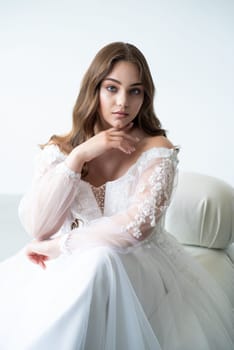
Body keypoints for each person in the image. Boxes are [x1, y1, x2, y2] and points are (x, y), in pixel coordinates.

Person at [0, 42, 233, 350]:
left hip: (140, 267)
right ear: (93, 89)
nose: (123, 102)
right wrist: (79, 156)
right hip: (71, 267)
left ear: (145, 96)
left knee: (102, 258)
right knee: (87, 268)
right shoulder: (62, 150)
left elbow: (134, 229)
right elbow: (37, 226)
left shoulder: (157, 150)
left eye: (135, 91)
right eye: (112, 88)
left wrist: (62, 246)